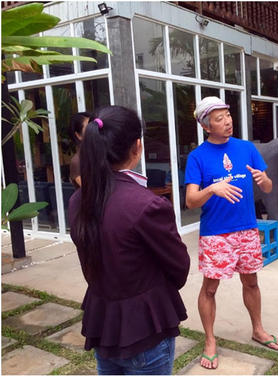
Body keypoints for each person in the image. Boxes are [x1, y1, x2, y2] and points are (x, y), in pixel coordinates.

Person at [68, 105, 190, 375]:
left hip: (103, 322)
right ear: (137, 147)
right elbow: (179, 267)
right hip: (145, 326)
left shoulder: (78, 200)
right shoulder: (147, 205)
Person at [185, 96, 278, 369]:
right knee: (210, 288)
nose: (227, 122)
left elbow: (267, 187)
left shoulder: (246, 148)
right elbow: (191, 201)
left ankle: (258, 329)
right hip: (216, 233)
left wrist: (264, 180)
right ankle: (210, 341)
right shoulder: (198, 157)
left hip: (247, 230)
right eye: (219, 119)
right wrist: (211, 189)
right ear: (207, 126)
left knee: (251, 282)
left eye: (227, 115)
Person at [69, 111, 91, 189]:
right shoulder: (77, 162)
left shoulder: (101, 154)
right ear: (78, 135)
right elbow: (91, 191)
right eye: (89, 128)